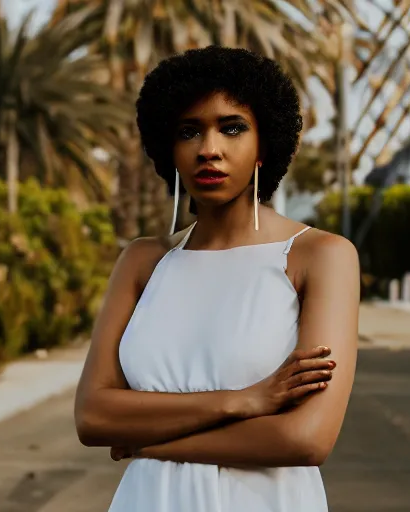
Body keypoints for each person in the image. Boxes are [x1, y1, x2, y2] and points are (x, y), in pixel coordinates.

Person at [74, 46, 360, 511]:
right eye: (189, 131)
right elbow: (93, 416)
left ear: (264, 144)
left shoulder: (320, 256)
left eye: (232, 128)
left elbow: (304, 439)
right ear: (169, 148)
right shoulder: (143, 261)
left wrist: (145, 443)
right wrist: (244, 401)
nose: (209, 149)